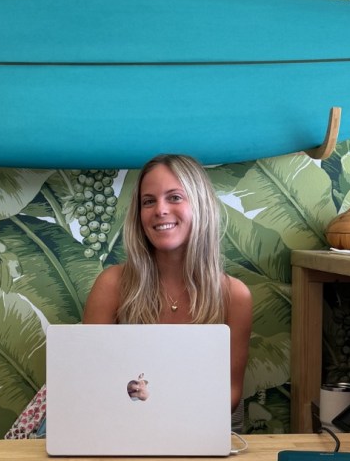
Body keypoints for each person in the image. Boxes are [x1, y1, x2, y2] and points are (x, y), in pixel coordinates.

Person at [83, 154, 253, 413]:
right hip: (121, 421)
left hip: (200, 424)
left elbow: (230, 393)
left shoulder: (234, 295)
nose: (160, 210)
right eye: (148, 201)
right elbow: (90, 380)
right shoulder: (112, 284)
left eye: (174, 197)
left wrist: (164, 406)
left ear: (200, 206)